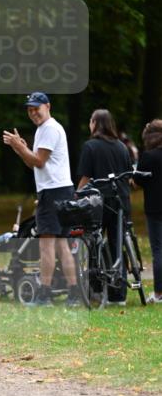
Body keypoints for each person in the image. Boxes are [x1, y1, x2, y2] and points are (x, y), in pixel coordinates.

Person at [3, 92, 79, 307]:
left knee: (47, 245)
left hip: (53, 192)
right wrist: (22, 149)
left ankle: (44, 294)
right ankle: (73, 293)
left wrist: (18, 146)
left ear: (48, 106)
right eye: (30, 109)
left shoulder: (49, 129)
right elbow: (34, 162)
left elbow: (37, 161)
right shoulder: (46, 129)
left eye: (37, 107)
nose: (33, 112)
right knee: (62, 244)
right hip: (61, 189)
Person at [77, 109, 133, 305]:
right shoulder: (122, 147)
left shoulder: (90, 146)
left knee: (93, 243)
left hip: (98, 202)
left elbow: (85, 177)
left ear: (95, 123)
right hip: (120, 202)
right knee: (118, 246)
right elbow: (128, 176)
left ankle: (96, 289)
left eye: (90, 121)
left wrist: (76, 197)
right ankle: (119, 295)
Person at [135, 119, 162, 304]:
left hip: (155, 208)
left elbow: (137, 182)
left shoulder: (148, 157)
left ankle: (159, 293)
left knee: (159, 250)